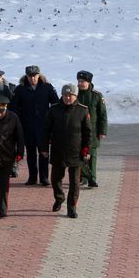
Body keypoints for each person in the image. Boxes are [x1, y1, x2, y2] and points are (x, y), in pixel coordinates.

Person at [41, 83, 92, 219]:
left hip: (76, 151)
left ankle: (72, 206)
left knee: (75, 183)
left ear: (76, 97)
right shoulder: (54, 110)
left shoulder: (83, 110)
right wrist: (44, 147)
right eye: (65, 95)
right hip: (58, 150)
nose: (68, 98)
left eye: (71, 95)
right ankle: (59, 198)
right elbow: (46, 130)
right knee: (56, 179)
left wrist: (86, 149)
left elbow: (88, 132)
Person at [10, 65, 58, 187]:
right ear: (26, 76)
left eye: (35, 75)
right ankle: (32, 177)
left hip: (44, 127)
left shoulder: (47, 87)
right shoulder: (21, 89)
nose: (33, 78)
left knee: (43, 153)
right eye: (30, 76)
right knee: (31, 153)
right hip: (28, 126)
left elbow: (56, 104)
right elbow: (14, 108)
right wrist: (18, 123)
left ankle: (44, 177)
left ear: (39, 75)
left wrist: (53, 120)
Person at [76, 70, 107, 188]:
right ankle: (83, 177)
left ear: (89, 82)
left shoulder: (97, 96)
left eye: (82, 81)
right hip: (78, 131)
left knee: (92, 155)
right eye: (79, 81)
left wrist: (102, 131)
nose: (80, 83)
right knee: (80, 154)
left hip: (93, 131)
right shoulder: (75, 94)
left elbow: (103, 115)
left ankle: (92, 178)